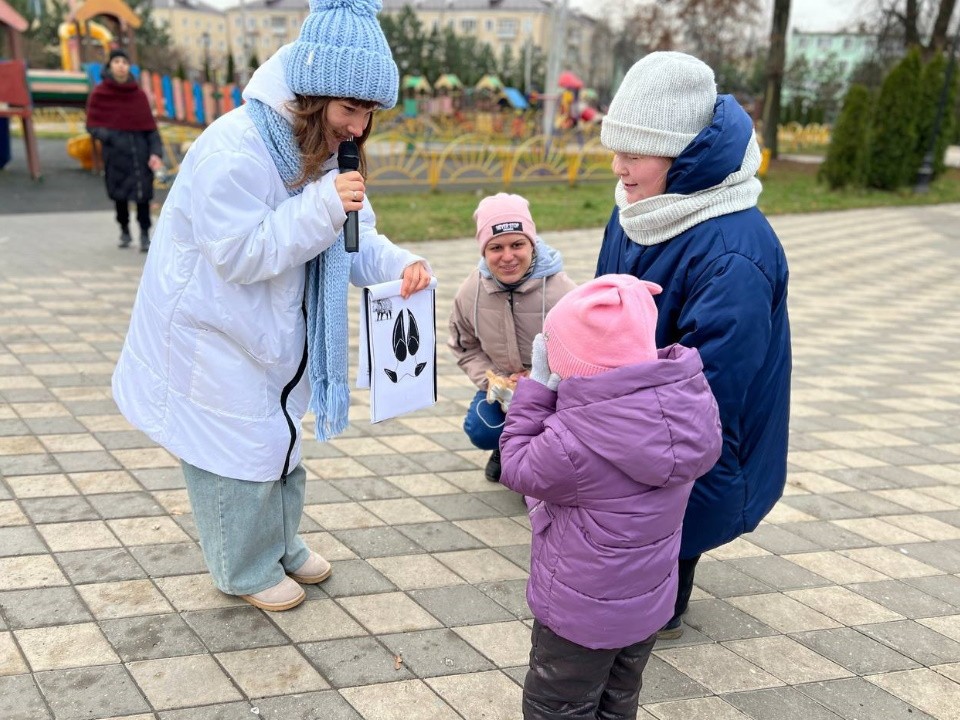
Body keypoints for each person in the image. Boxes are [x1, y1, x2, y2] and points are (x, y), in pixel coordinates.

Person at [111, 0, 432, 612]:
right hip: (213, 335)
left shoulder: (322, 148)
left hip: (269, 337)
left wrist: (400, 266)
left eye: (368, 113)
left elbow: (351, 237)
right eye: (349, 110)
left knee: (279, 443)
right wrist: (325, 207)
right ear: (313, 97)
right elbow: (240, 254)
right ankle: (244, 568)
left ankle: (279, 545)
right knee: (234, 459)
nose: (358, 128)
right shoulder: (236, 149)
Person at [595, 51, 792, 638]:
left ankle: (663, 603)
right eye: (615, 147)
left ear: (680, 153)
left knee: (674, 534)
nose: (618, 166)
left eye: (634, 152)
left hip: (697, 440)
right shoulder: (639, 210)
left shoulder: (732, 250)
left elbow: (707, 397)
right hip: (637, 418)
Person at [499, 274, 722, 720]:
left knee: (558, 704)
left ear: (574, 364)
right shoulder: (687, 408)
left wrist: (538, 389)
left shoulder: (573, 439)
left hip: (579, 612)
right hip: (648, 603)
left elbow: (517, 464)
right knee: (619, 696)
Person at [448, 193, 576, 482]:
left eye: (517, 244)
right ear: (483, 251)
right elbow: (464, 346)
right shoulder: (470, 293)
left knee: (554, 434)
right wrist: (493, 379)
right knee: (482, 429)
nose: (507, 256)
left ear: (532, 243)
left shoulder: (563, 292)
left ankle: (542, 468)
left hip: (553, 389)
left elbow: (583, 352)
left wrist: (539, 376)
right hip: (503, 388)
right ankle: (504, 448)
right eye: (496, 247)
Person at [85, 48, 164, 252]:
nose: (121, 65)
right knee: (120, 194)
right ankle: (124, 230)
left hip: (140, 151)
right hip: (116, 153)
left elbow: (150, 128)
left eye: (125, 62)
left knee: (143, 195)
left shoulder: (138, 95)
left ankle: (145, 234)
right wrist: (110, 137)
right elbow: (92, 125)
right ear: (110, 66)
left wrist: (156, 152)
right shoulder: (100, 93)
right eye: (117, 61)